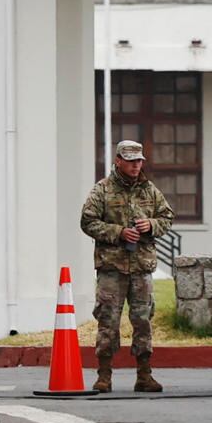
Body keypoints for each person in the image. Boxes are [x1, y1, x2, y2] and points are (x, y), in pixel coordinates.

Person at [78, 139, 175, 393]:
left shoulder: (149, 191)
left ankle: (144, 375)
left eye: (139, 160)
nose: (135, 165)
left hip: (141, 267)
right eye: (130, 160)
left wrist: (151, 226)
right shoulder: (103, 190)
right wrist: (118, 232)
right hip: (112, 268)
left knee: (143, 320)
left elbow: (167, 217)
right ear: (118, 161)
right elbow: (88, 222)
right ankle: (104, 375)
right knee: (108, 320)